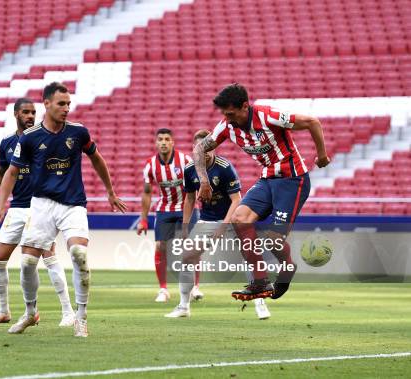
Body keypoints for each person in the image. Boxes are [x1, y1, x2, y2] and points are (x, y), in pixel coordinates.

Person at [0, 82, 126, 337]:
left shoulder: (78, 133)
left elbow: (97, 158)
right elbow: (10, 171)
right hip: (41, 205)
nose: (66, 109)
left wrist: (110, 191)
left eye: (69, 104)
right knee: (28, 262)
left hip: (73, 204)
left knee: (79, 255)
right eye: (61, 104)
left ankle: (81, 317)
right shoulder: (30, 138)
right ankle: (30, 313)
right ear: (47, 104)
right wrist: (0, 206)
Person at [193, 83, 330, 301]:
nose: (227, 118)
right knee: (239, 219)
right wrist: (204, 181)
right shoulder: (227, 126)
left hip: (292, 180)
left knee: (274, 239)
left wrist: (321, 155)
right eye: (224, 114)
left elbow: (312, 122)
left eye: (230, 113)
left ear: (245, 106)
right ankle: (259, 281)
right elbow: (199, 148)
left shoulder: (268, 116)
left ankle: (287, 269)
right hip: (267, 180)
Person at [0, 98, 75, 327]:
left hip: (40, 209)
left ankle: (67, 312)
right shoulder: (7, 142)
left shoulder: (42, 138)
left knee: (50, 258)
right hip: (17, 209)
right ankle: (3, 311)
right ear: (16, 114)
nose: (30, 116)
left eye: (33, 112)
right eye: (25, 112)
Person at [165, 130, 270, 319]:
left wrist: (223, 226)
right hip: (207, 220)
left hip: (234, 219)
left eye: (206, 149)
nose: (203, 153)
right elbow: (189, 199)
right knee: (187, 256)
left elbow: (236, 200)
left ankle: (260, 303)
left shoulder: (224, 167)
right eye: (199, 150)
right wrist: (186, 226)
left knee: (250, 256)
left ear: (213, 148)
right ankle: (183, 307)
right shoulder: (189, 170)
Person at [138, 128, 202, 302]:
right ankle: (163, 290)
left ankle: (195, 287)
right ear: (156, 143)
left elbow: (196, 185)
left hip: (186, 208)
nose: (164, 142)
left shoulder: (185, 161)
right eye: (160, 139)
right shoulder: (151, 165)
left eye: (167, 139)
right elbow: (146, 192)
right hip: (165, 209)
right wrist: (143, 219)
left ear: (173, 142)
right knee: (160, 246)